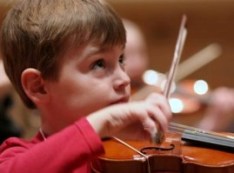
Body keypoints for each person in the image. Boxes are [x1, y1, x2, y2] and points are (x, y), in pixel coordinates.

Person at [0, 0, 172, 172]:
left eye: (121, 59)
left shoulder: (131, 151)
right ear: (39, 86)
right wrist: (105, 122)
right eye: (99, 64)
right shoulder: (18, 157)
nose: (124, 79)